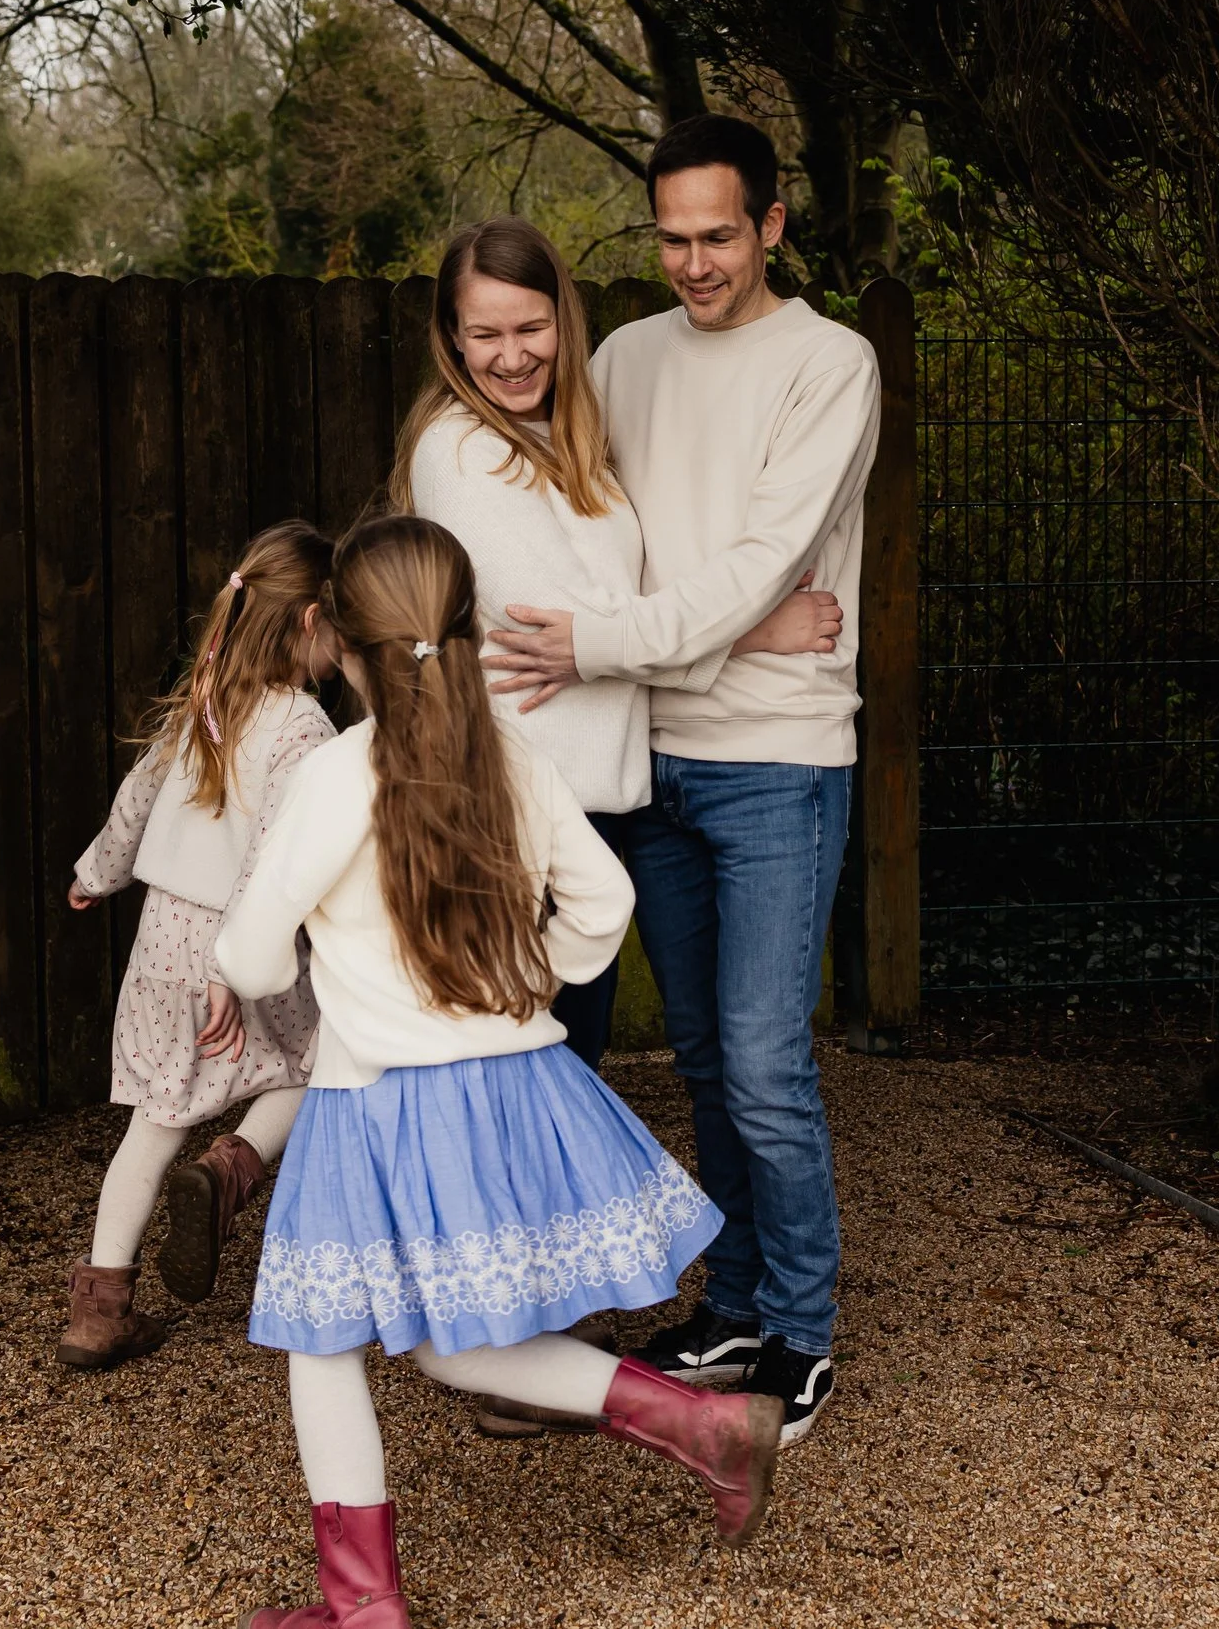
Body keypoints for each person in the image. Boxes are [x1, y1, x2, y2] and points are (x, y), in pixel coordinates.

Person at [216, 516, 786, 1629]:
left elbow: (244, 953)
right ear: (465, 631)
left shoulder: (338, 777)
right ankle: (702, 1426)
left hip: (375, 1100)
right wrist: (537, 977)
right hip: (510, 1085)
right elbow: (605, 904)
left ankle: (364, 1607)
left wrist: (315, 960)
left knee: (323, 1342)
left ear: (332, 639)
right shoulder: (511, 756)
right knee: (441, 1342)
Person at [483, 114, 880, 1447]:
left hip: (778, 761)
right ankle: (737, 1303)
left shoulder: (833, 364)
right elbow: (603, 542)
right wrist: (734, 623)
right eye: (672, 237)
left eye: (721, 235)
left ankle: (804, 1336)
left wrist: (628, 637)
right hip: (652, 759)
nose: (696, 263)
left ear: (772, 226)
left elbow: (755, 559)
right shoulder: (621, 357)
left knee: (767, 1060)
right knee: (705, 1058)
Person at [390, 214, 841, 1072]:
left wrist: (626, 628)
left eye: (531, 328)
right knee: (531, 1073)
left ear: (564, 320)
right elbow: (559, 626)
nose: (512, 355)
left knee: (568, 1065)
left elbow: (604, 623)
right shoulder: (459, 449)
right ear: (451, 337)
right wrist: (749, 631)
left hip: (583, 807)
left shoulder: (562, 439)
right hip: (515, 814)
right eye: (484, 333)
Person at [57, 523, 338, 1369]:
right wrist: (232, 963)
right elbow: (271, 858)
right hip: (238, 943)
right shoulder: (306, 730)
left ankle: (97, 1310)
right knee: (314, 1067)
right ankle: (230, 1171)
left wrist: (96, 872)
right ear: (312, 621)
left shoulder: (204, 696)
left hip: (160, 941)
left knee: (153, 1123)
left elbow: (137, 794)